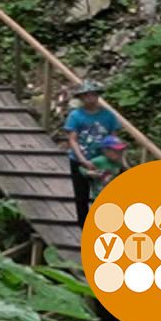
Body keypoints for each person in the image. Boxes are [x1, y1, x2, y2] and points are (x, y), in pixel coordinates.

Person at [64, 79, 120, 230]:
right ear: (81, 98)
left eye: (93, 95)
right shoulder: (75, 116)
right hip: (79, 159)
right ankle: (84, 226)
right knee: (81, 196)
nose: (89, 98)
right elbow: (72, 139)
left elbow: (113, 139)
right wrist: (82, 160)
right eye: (86, 95)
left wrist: (114, 158)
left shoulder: (108, 116)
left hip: (103, 161)